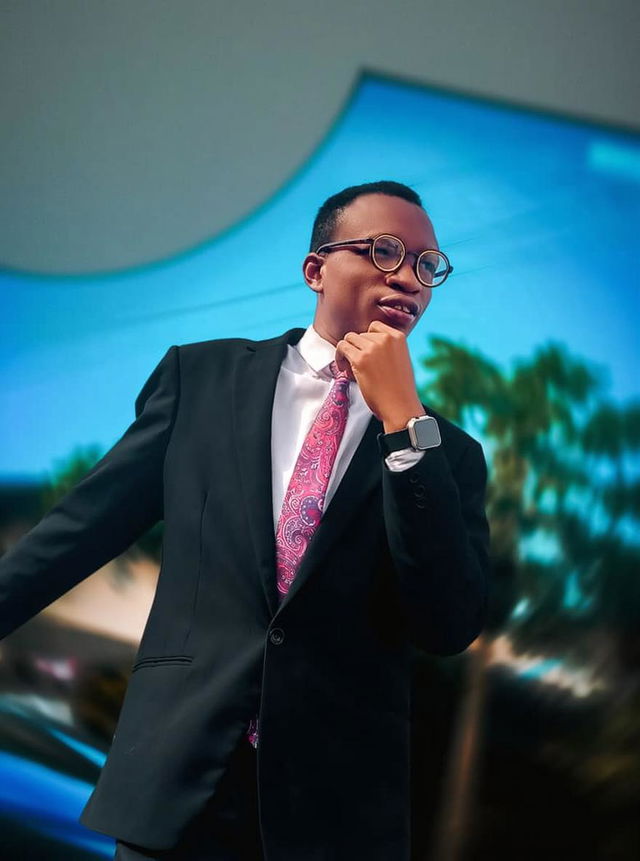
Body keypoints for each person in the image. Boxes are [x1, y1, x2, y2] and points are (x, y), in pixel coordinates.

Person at [0, 181, 490, 860]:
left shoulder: (449, 455)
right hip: (175, 780)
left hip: (334, 813)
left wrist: (406, 425)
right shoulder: (201, 378)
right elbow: (81, 530)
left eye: (426, 264)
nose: (407, 277)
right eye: (384, 251)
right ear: (316, 269)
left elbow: (447, 621)